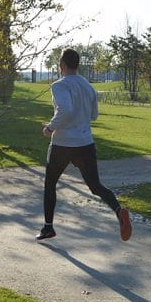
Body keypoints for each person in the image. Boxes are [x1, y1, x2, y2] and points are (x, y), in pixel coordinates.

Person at [36, 48, 132, 242]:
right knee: (95, 186)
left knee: (50, 184)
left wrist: (49, 128)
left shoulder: (59, 86)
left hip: (63, 144)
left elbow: (65, 110)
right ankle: (118, 210)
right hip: (85, 143)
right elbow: (94, 115)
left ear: (62, 65)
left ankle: (48, 227)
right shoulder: (88, 86)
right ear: (77, 64)